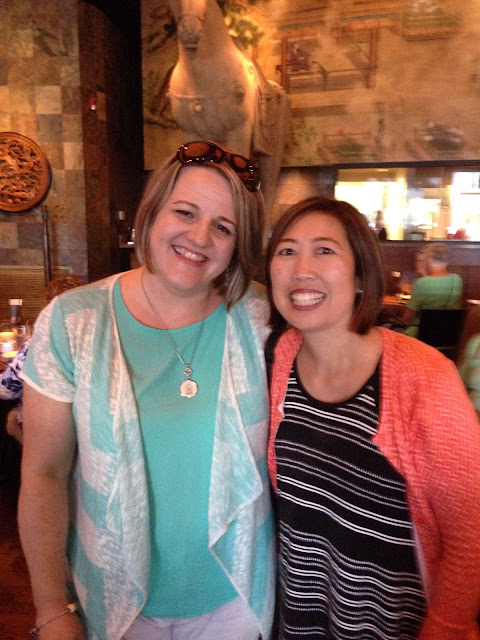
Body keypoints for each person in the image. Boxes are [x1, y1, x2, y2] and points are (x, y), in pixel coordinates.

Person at [18, 141, 276, 640]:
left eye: (223, 227)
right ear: (152, 211)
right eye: (185, 212)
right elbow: (44, 473)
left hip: (236, 601)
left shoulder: (261, 316)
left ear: (237, 244)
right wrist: (51, 609)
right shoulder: (74, 321)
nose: (199, 238)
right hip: (114, 603)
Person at [264, 196, 480, 640]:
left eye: (324, 250)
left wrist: (446, 629)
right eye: (286, 251)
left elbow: (471, 535)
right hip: (299, 617)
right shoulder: (280, 356)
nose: (301, 269)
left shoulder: (424, 376)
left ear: (361, 275)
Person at [0, 275, 86, 443]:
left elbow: (6, 390)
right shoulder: (96, 340)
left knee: (9, 416)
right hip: (85, 424)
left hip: (48, 425)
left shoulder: (39, 342)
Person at [403, 242, 463, 337]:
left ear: (429, 260)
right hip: (448, 335)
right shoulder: (457, 279)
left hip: (420, 335)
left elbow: (407, 318)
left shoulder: (422, 283)